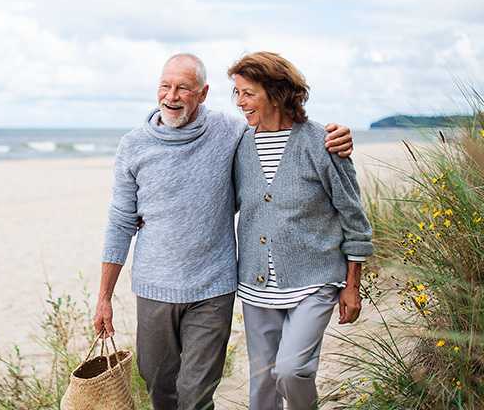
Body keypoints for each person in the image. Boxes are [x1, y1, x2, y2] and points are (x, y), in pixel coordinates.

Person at [93, 53, 354, 410]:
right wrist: (104, 296)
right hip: (155, 285)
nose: (171, 96)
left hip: (214, 287)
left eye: (183, 88)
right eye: (165, 86)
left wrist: (337, 135)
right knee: (158, 385)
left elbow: (283, 132)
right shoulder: (134, 146)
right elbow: (121, 221)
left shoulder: (231, 132)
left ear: (202, 93)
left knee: (196, 394)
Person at [230, 51, 373, 410]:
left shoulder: (322, 143)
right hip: (256, 284)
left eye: (247, 93)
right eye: (236, 94)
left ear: (276, 91)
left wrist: (353, 286)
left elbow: (354, 218)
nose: (239, 102)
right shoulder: (239, 145)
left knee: (292, 371)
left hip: (316, 280)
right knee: (262, 385)